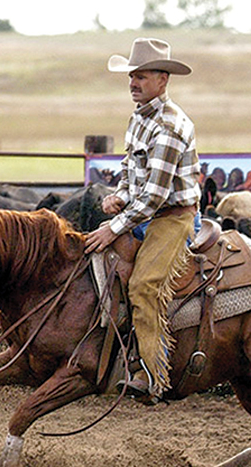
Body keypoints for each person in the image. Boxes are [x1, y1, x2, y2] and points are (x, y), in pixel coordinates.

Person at [84, 38, 201, 403]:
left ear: (163, 80)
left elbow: (154, 196)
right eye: (132, 76)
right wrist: (119, 193)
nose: (133, 83)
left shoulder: (169, 126)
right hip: (145, 213)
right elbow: (130, 168)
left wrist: (114, 226)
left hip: (172, 220)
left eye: (142, 77)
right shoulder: (140, 117)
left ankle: (152, 374)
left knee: (143, 287)